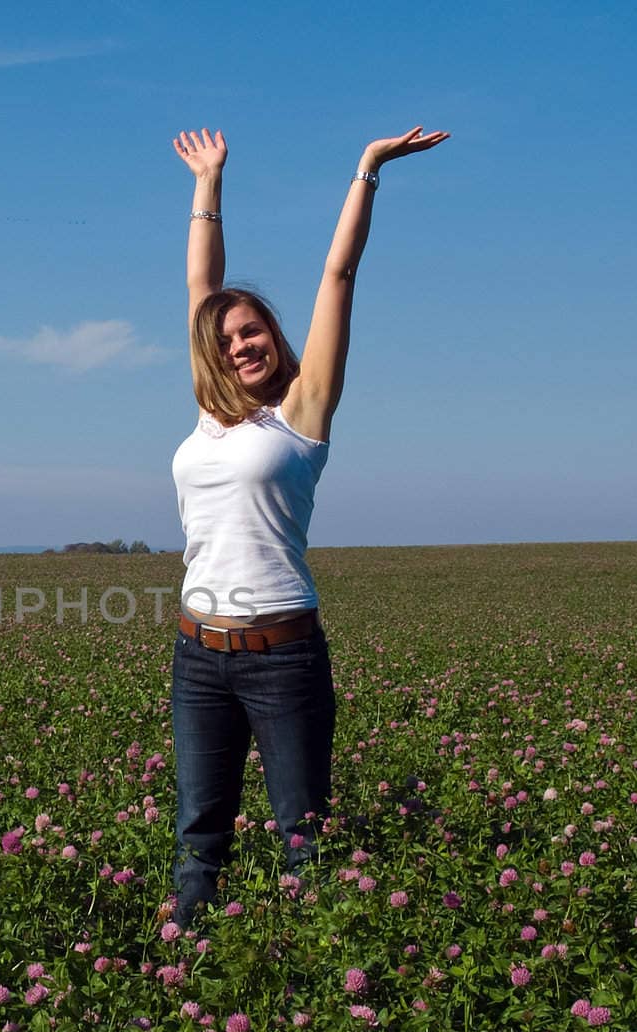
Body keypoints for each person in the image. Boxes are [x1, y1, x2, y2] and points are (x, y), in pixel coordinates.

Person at [168, 124, 448, 927]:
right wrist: (208, 182)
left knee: (302, 835)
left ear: (275, 337)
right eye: (226, 340)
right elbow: (201, 286)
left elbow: (338, 273)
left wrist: (367, 169)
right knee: (198, 840)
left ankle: (301, 981)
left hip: (282, 655)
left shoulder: (303, 413)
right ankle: (186, 975)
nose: (240, 344)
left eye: (252, 330)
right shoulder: (207, 414)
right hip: (198, 653)